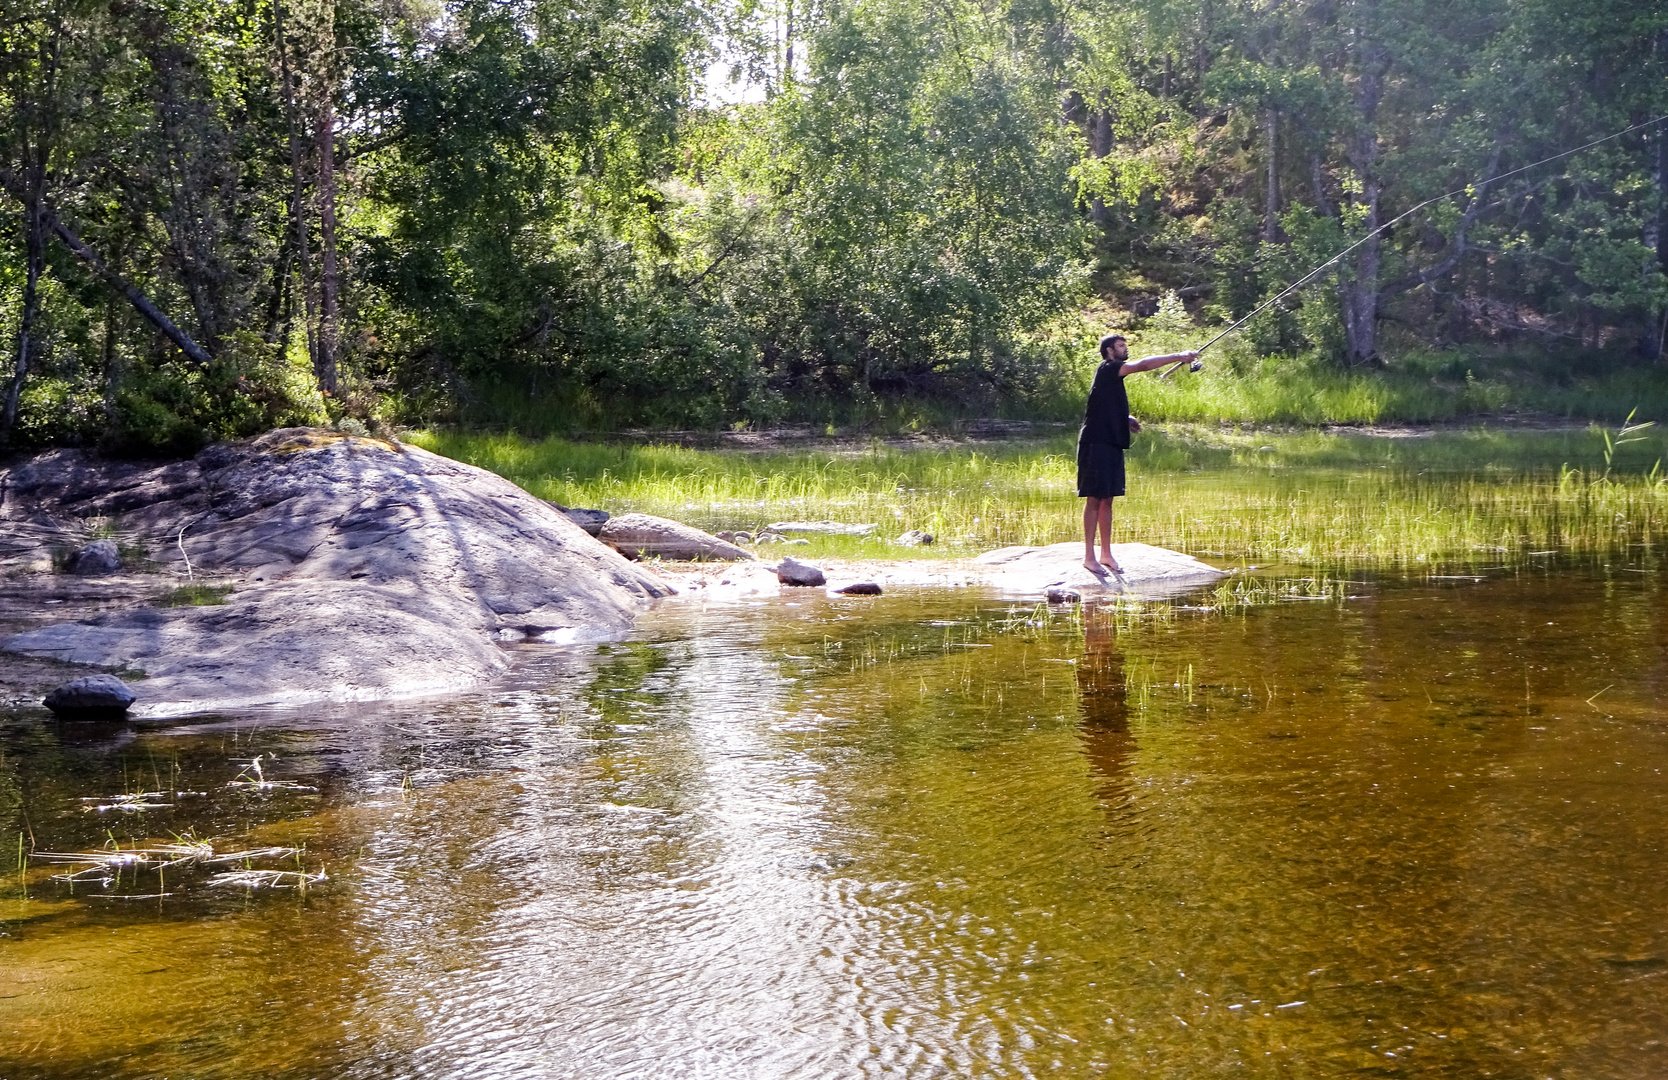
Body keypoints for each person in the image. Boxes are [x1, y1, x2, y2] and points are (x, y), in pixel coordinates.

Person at [1077, 334, 1198, 574]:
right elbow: (1142, 365)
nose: (1125, 349)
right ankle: (1089, 557)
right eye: (1121, 346)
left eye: (1125, 345)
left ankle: (1106, 555)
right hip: (1095, 443)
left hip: (1111, 443)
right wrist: (1179, 356)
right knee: (1094, 498)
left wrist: (1125, 418)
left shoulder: (1112, 377)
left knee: (1108, 498)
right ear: (1110, 351)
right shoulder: (1109, 368)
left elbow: (1104, 403)